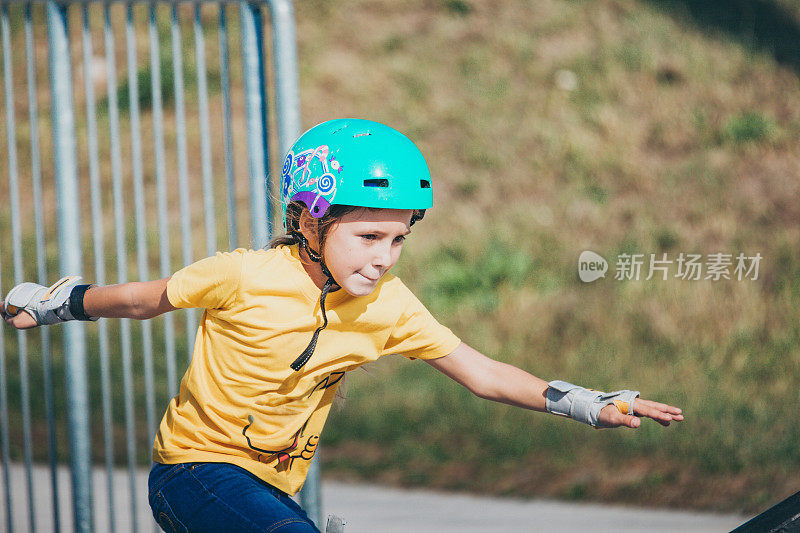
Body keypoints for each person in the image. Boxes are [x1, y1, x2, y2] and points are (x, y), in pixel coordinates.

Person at [1, 118, 683, 533]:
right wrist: (59, 301)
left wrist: (592, 403)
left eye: (397, 240)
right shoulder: (243, 275)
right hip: (193, 473)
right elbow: (142, 299)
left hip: (274, 493)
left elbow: (484, 373)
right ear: (309, 222)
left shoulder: (391, 306)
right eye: (366, 237)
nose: (382, 258)